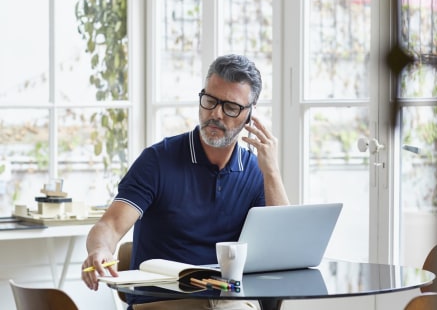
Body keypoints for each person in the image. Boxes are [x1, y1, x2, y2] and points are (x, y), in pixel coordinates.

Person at [82, 54, 289, 309]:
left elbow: (282, 251)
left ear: (250, 114)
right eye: (210, 101)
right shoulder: (158, 161)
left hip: (228, 300)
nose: (216, 114)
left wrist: (272, 172)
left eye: (231, 107)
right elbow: (110, 225)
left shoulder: (256, 171)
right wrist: (100, 250)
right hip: (163, 302)